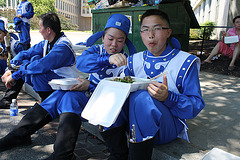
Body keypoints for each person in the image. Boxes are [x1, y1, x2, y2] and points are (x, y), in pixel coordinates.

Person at [0, 14, 136, 160]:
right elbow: (82, 62)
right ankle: (44, 146)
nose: (114, 44)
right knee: (64, 96)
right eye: (110, 39)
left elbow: (121, 92)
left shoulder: (129, 61)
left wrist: (90, 85)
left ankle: (113, 153)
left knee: (68, 96)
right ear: (102, 38)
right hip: (87, 95)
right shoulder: (96, 50)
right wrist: (106, 59)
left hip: (110, 105)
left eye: (120, 40)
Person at [99, 9, 205, 160]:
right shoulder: (134, 60)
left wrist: (169, 97)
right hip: (133, 125)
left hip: (167, 127)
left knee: (141, 97)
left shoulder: (185, 62)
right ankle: (118, 155)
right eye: (145, 30)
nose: (151, 35)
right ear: (140, 33)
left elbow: (195, 106)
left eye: (157, 29)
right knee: (111, 92)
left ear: (168, 32)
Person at [1, 12, 81, 102]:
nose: (39, 31)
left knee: (35, 71)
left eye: (40, 27)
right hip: (55, 80)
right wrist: (9, 68)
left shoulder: (63, 47)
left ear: (48, 30)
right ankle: (45, 100)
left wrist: (15, 75)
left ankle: (48, 102)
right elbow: (25, 54)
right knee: (31, 60)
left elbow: (41, 65)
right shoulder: (47, 42)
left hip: (67, 83)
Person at [0, 18, 25, 109]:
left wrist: (10, 70)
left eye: (0, 33)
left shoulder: (16, 45)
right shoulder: (2, 44)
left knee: (20, 73)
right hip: (10, 68)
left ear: (5, 33)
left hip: (20, 69)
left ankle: (8, 99)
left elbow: (24, 61)